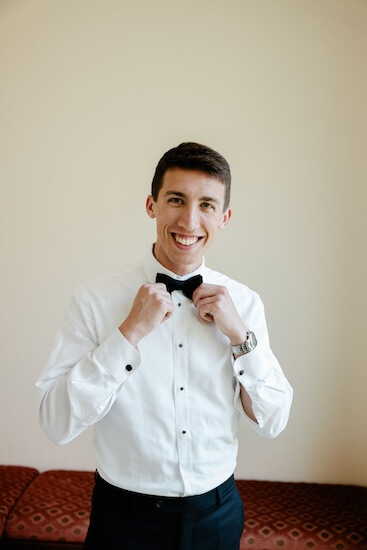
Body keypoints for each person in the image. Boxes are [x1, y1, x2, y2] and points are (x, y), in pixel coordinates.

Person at [36, 142, 293, 550]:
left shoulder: (244, 304)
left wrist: (241, 338)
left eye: (207, 204)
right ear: (151, 205)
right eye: (176, 199)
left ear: (224, 217)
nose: (190, 219)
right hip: (124, 519)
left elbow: (274, 419)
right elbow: (55, 422)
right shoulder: (94, 299)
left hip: (218, 515)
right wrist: (128, 335)